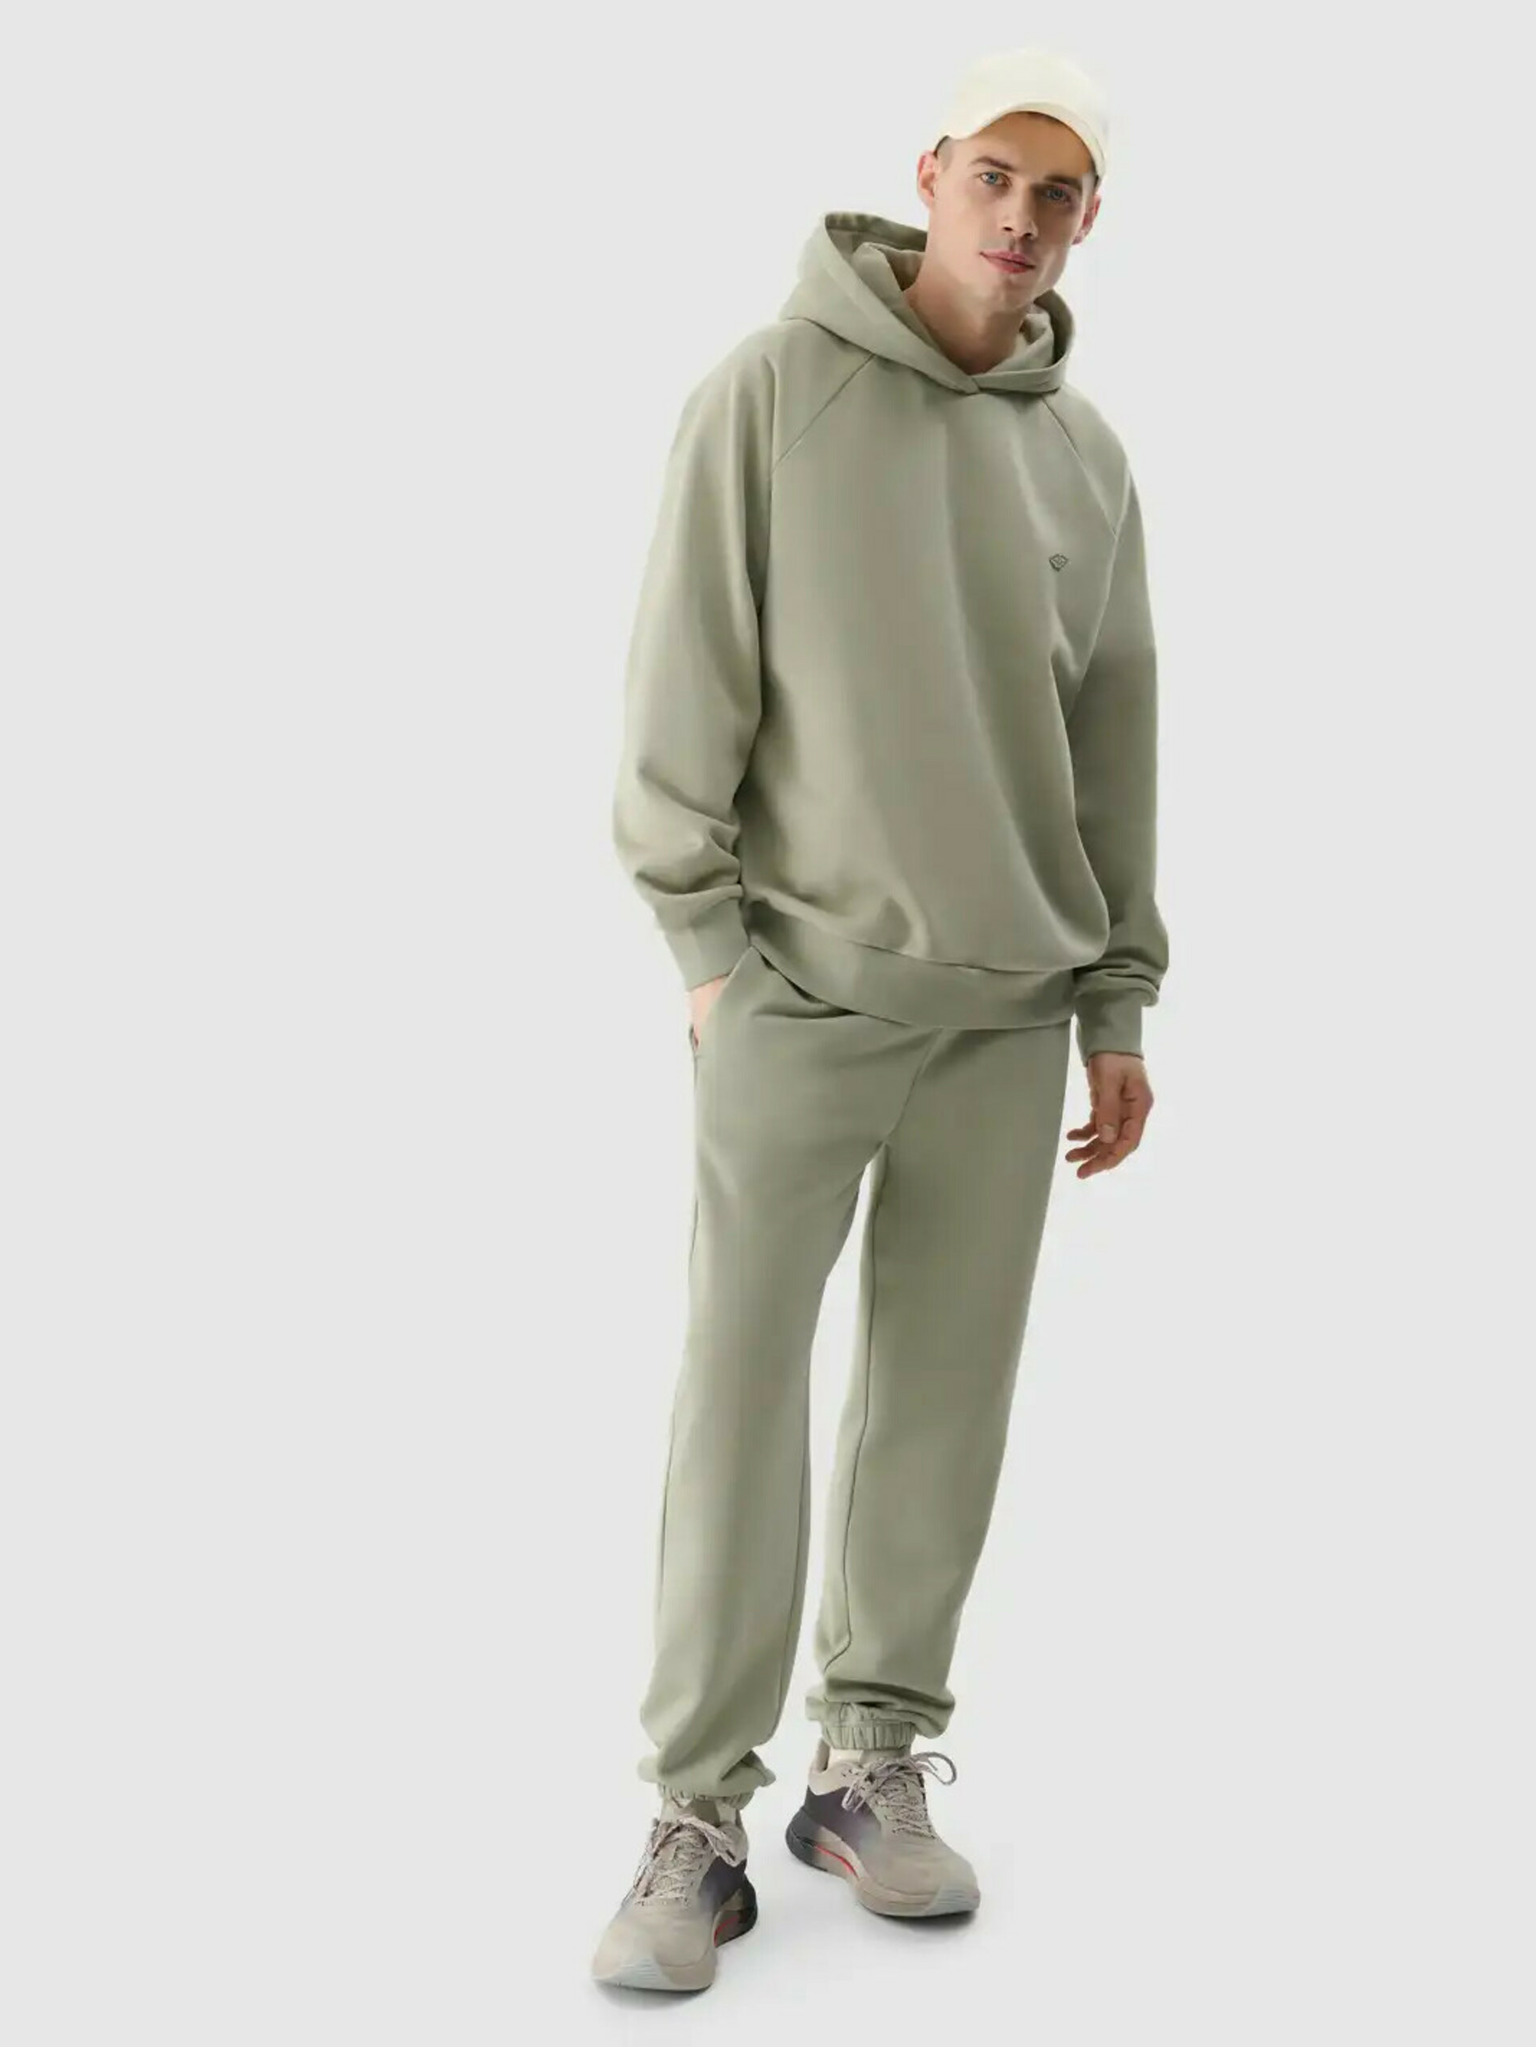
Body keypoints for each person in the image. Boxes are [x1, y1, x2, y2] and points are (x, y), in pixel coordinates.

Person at [593, 45, 1170, 1993]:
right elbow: (683, 691)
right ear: (929, 174)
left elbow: (1114, 742)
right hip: (796, 998)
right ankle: (695, 1814)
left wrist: (1119, 997)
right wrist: (707, 953)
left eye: (1058, 193)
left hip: (1010, 1021)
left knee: (943, 1406)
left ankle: (871, 1763)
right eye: (995, 174)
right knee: (739, 1404)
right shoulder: (767, 395)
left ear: (1090, 223)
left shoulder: (1086, 458)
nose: (1022, 217)